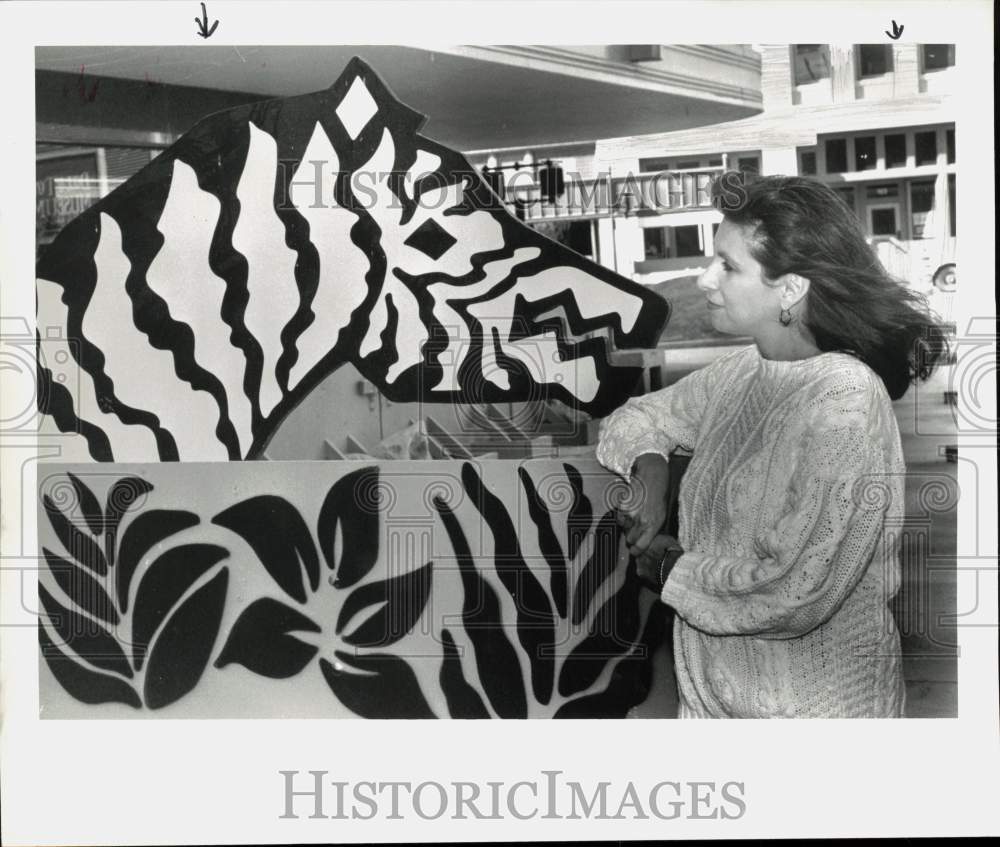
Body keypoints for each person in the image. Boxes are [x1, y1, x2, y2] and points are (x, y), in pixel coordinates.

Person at [597, 174, 950, 718]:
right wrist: (651, 465)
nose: (704, 278)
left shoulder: (844, 401)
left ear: (790, 288)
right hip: (715, 711)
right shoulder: (741, 374)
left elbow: (795, 592)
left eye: (728, 265)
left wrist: (667, 567)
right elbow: (636, 416)